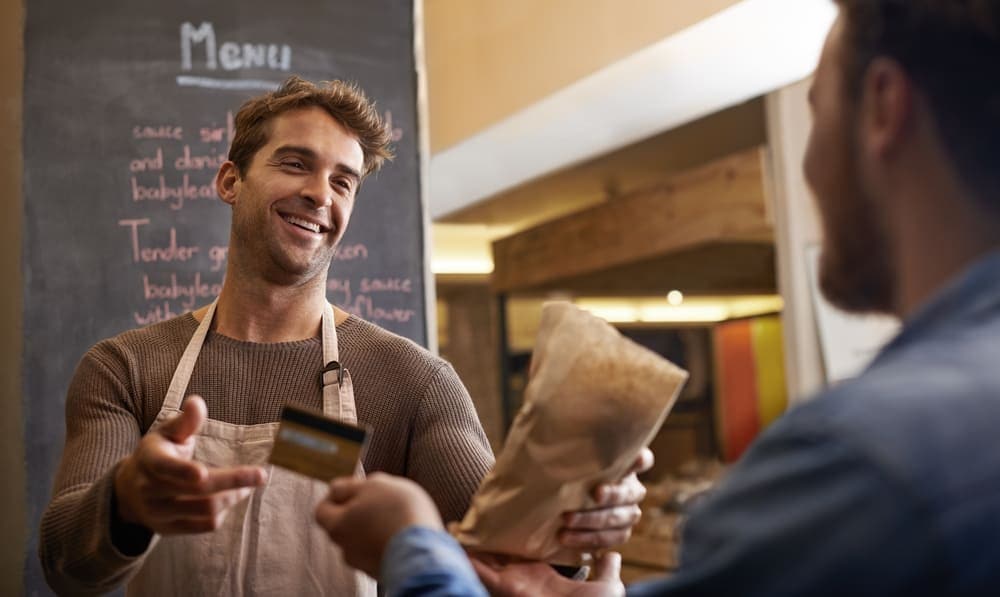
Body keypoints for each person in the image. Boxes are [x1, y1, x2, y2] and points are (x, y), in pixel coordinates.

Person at [313, 1, 1000, 595]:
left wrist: (412, 542)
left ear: (883, 107)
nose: (807, 165)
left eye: (815, 107)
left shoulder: (860, 459)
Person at [38, 77, 647, 596]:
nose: (319, 193)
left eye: (343, 180)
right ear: (230, 181)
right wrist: (125, 503)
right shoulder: (127, 367)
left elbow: (511, 560)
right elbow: (65, 565)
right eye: (296, 163)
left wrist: (577, 516)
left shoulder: (413, 383)